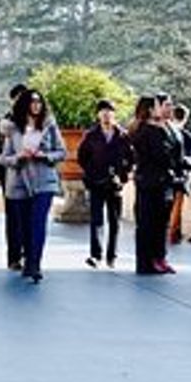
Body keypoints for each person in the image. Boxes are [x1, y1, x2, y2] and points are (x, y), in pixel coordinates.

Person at [0, 89, 63, 283]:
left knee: (38, 222)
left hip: (44, 182)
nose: (36, 105)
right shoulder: (13, 129)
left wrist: (45, 156)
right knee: (25, 225)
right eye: (32, 102)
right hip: (20, 183)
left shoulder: (49, 125)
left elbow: (61, 151)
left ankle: (35, 264)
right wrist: (18, 157)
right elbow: (2, 157)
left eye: (39, 102)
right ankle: (27, 261)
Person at [76, 99, 132, 269]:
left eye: (109, 111)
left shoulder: (122, 136)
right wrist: (92, 171)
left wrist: (123, 175)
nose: (106, 115)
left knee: (114, 221)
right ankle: (96, 255)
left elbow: (130, 159)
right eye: (103, 111)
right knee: (96, 220)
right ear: (98, 115)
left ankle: (112, 255)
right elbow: (82, 157)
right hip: (96, 182)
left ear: (114, 114)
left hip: (115, 184)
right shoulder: (91, 136)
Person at [130, 95, 181, 276]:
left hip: (149, 182)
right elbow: (163, 157)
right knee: (154, 224)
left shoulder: (141, 130)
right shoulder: (152, 131)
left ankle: (153, 260)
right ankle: (152, 261)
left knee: (152, 224)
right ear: (151, 109)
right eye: (161, 105)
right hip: (155, 183)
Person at [0, 84, 27, 268]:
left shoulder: (36, 124)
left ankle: (29, 253)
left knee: (29, 216)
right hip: (10, 175)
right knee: (13, 216)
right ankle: (13, 256)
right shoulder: (1, 124)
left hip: (31, 176)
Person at [168, 103, 191, 246]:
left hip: (167, 174)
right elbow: (190, 157)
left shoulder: (167, 131)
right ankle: (173, 232)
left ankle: (170, 231)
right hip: (180, 175)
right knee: (177, 205)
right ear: (185, 118)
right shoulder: (187, 136)